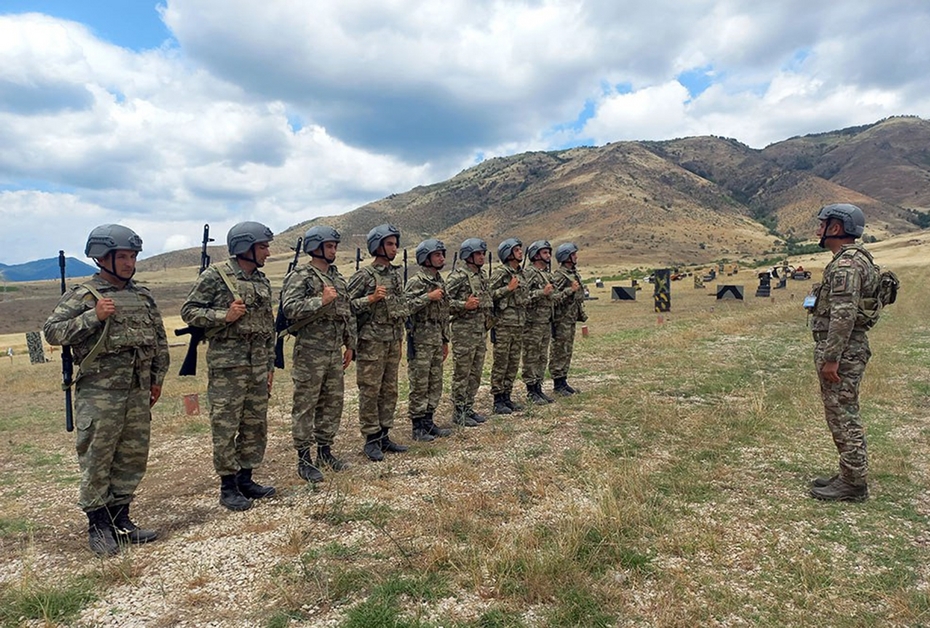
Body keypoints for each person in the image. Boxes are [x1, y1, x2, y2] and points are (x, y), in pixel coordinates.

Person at [44, 224, 169, 555]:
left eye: (133, 256)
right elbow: (53, 332)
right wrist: (92, 317)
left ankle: (121, 519)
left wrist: (157, 379)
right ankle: (98, 526)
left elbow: (158, 341)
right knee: (98, 458)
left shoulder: (142, 296)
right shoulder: (84, 295)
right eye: (123, 257)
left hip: (137, 390)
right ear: (103, 258)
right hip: (100, 394)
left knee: (131, 458)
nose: (130, 263)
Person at [180, 221, 276, 511]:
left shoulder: (261, 281)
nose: (268, 253)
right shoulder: (215, 276)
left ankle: (246, 477)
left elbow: (267, 327)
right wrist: (224, 315)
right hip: (228, 367)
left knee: (255, 424)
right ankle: (228, 485)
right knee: (226, 425)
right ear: (245, 248)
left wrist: (270, 365)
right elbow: (189, 311)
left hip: (258, 365)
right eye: (263, 247)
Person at [807, 203, 882, 502]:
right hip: (849, 349)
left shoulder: (846, 265)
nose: (818, 230)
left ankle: (853, 484)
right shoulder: (856, 260)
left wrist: (831, 358)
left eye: (822, 224)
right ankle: (850, 473)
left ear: (836, 228)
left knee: (843, 413)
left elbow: (843, 314)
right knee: (842, 411)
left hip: (844, 352)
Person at [280, 226, 356, 483]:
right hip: (310, 351)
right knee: (306, 405)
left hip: (334, 351)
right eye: (330, 246)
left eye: (335, 246)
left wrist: (350, 344)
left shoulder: (337, 276)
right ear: (316, 248)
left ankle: (325, 452)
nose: (334, 250)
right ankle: (304, 458)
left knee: (332, 402)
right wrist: (319, 302)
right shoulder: (300, 275)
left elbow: (346, 313)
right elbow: (289, 309)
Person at [347, 224, 409, 461]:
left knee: (390, 390)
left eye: (395, 244)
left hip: (392, 341)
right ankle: (371, 438)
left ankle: (384, 434)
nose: (394, 248)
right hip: (371, 342)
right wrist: (370, 299)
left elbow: (400, 309)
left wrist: (400, 339)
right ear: (377, 246)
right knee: (370, 390)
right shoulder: (363, 276)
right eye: (390, 244)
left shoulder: (395, 275)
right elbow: (347, 306)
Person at [404, 238, 453, 441]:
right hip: (421, 340)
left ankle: (429, 421)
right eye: (437, 255)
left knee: (435, 382)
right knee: (420, 383)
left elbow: (444, 312)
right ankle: (417, 428)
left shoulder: (439, 281)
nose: (441, 258)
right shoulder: (417, 282)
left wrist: (444, 340)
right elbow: (404, 307)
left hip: (435, 338)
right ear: (426, 258)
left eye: (442, 254)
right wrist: (428, 298)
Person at [446, 238, 493, 427]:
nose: (482, 257)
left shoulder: (482, 277)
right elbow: (443, 303)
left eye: (483, 254)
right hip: (463, 333)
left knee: (476, 373)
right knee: (462, 373)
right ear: (468, 256)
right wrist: (463, 305)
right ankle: (458, 412)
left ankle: (468, 407)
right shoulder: (457, 277)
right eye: (478, 254)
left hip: (480, 332)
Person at [489, 238, 528, 415]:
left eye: (521, 249)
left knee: (513, 362)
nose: (521, 252)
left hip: (519, 324)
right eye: (517, 250)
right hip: (503, 325)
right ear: (508, 253)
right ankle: (498, 399)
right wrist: (508, 289)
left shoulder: (521, 273)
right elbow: (488, 295)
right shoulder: (500, 273)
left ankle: (507, 395)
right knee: (501, 362)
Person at [521, 240, 556, 405]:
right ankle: (531, 390)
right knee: (531, 356)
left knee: (542, 356)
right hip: (532, 322)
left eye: (549, 252)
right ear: (535, 255)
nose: (548, 255)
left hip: (545, 321)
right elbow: (522, 296)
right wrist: (541, 293)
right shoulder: (529, 273)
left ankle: (538, 387)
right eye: (544, 253)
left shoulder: (547, 274)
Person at [549, 242, 586, 396]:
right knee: (559, 351)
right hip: (561, 320)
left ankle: (563, 380)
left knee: (567, 351)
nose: (576, 256)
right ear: (566, 257)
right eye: (573, 254)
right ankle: (558, 383)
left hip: (570, 319)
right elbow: (553, 298)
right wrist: (570, 290)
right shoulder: (559, 276)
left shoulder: (573, 273)